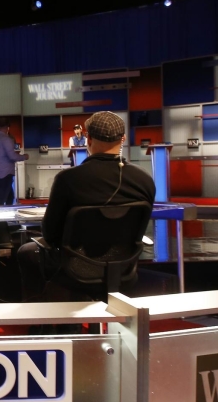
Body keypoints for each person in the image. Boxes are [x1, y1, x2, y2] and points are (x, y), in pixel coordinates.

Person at [17, 111, 155, 303]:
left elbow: (50, 234)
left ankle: (43, 321)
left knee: (26, 252)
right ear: (122, 139)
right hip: (124, 267)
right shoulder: (144, 180)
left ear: (88, 138)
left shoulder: (69, 179)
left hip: (75, 269)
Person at [0, 117, 29, 206]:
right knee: (1, 198)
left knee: (9, 196)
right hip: (6, 172)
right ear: (8, 127)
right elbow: (12, 156)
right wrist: (24, 157)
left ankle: (6, 215)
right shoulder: (6, 139)